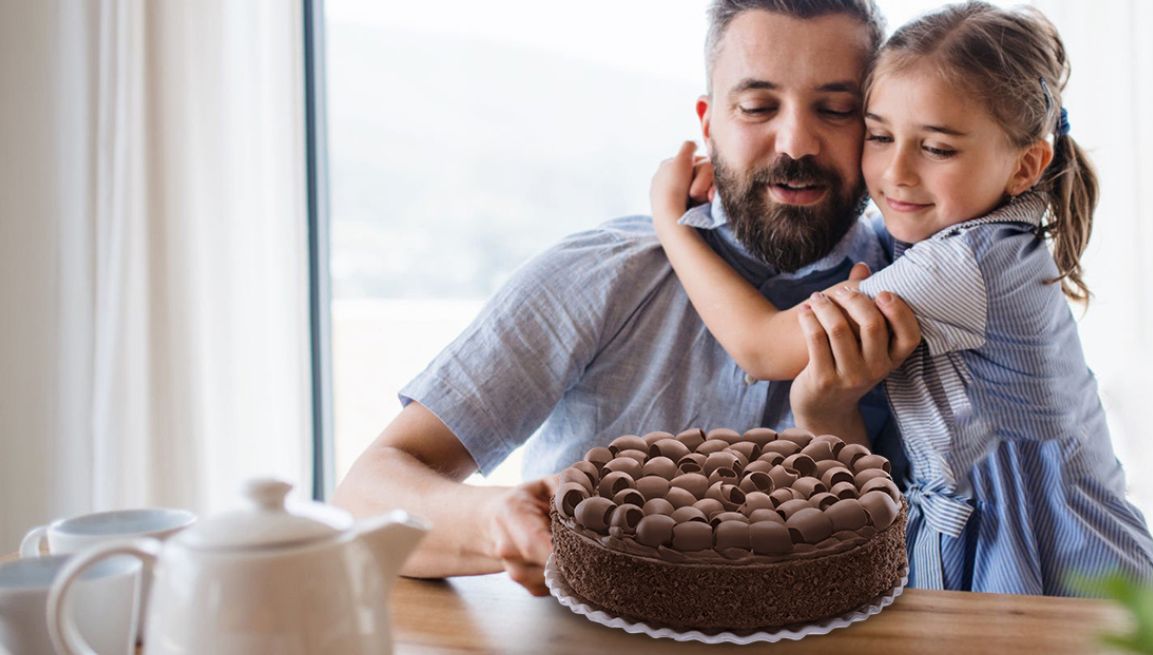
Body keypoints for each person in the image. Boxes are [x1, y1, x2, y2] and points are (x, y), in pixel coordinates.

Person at [334, 0, 923, 597]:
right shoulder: (601, 274)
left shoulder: (924, 297)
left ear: (877, 127)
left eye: (836, 109)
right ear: (709, 124)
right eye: (756, 107)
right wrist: (495, 521)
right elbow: (364, 496)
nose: (796, 142)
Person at [649, 1, 1153, 595]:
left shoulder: (966, 262)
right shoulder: (967, 234)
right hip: (983, 539)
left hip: (1054, 563)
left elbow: (762, 349)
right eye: (878, 136)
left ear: (1026, 165)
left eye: (939, 149)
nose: (895, 173)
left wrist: (672, 225)